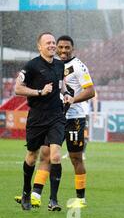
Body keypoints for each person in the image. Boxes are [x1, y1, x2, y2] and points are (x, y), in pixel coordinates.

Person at [15, 35, 95, 209]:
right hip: (55, 117)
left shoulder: (78, 66)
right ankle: (35, 195)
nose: (63, 51)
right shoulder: (55, 65)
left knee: (75, 157)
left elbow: (91, 91)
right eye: (60, 47)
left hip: (74, 118)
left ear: (72, 49)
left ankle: (80, 199)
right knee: (46, 155)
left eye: (67, 48)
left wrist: (72, 99)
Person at [14, 32, 72, 211]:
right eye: (48, 43)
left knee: (55, 155)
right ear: (39, 46)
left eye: (53, 43)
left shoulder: (60, 65)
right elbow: (18, 89)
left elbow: (62, 86)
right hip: (37, 117)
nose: (52, 45)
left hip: (56, 116)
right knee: (32, 156)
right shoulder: (31, 66)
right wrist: (40, 91)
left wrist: (67, 94)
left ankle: (53, 200)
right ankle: (26, 192)